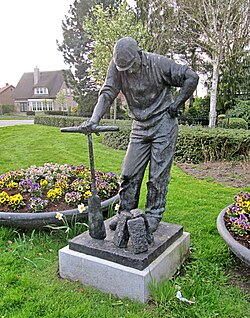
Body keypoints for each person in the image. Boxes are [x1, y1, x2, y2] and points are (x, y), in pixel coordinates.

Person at [81, 36, 199, 233]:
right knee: (129, 173)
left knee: (158, 175)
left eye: (130, 67)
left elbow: (192, 77)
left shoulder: (159, 63)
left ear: (139, 54)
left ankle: (153, 215)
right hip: (139, 124)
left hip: (163, 123)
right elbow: (108, 92)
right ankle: (125, 213)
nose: (127, 72)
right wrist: (94, 120)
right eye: (123, 69)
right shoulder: (118, 66)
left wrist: (177, 104)